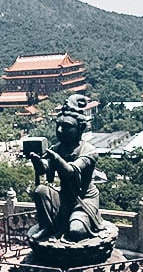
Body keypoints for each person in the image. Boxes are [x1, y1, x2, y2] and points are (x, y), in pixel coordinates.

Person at [27, 93, 105, 242]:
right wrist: (38, 163)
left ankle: (78, 223)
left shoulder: (88, 151)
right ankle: (47, 226)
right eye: (58, 125)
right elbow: (47, 167)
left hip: (84, 199)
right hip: (63, 197)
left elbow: (70, 171)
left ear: (80, 128)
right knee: (40, 190)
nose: (60, 130)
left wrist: (56, 158)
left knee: (76, 231)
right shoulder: (57, 148)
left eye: (67, 126)